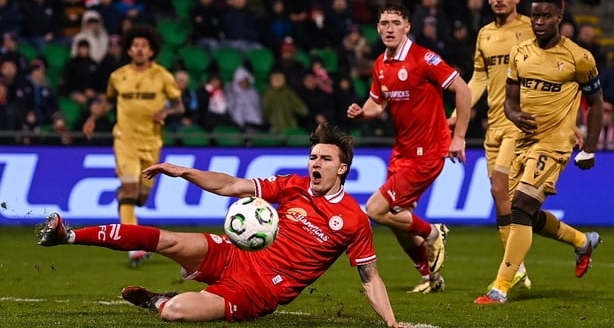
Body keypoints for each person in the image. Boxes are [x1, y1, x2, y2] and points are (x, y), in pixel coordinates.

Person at [37, 123, 412, 328]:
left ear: (341, 168)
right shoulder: (293, 186)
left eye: (325, 159)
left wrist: (393, 324)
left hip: (258, 291)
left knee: (175, 313)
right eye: (313, 156)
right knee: (165, 239)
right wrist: (183, 171)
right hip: (235, 254)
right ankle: (67, 235)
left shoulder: (353, 220)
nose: (315, 163)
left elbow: (370, 279)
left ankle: (157, 300)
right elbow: (232, 186)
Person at [474, 0, 604, 304]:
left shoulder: (579, 57)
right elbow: (510, 99)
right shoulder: (519, 52)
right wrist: (515, 114)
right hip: (522, 143)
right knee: (527, 216)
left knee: (519, 208)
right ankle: (582, 241)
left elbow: (596, 105)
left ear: (560, 17)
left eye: (546, 16)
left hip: (554, 145)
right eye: (535, 16)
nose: (539, 22)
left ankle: (501, 285)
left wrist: (588, 147)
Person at [347, 3, 471, 293]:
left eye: (395, 23)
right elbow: (377, 102)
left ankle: (432, 232)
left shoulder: (424, 59)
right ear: (377, 28)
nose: (389, 28)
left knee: (375, 210)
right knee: (396, 221)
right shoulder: (381, 64)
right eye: (384, 23)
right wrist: (362, 112)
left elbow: (463, 90)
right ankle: (432, 277)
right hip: (401, 151)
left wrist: (459, 137)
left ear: (407, 27)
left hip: (427, 152)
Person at [451, 0, 536, 291]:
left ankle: (508, 272)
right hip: (494, 127)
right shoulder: (484, 34)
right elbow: (479, 78)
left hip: (522, 125)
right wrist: (457, 114)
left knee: (504, 191)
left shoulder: (531, 28)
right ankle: (572, 243)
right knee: (503, 197)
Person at [82, 25, 184, 266]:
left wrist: (166, 111)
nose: (139, 49)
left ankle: (126, 205)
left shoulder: (163, 76)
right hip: (124, 139)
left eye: (144, 46)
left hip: (151, 142)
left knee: (140, 198)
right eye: (135, 45)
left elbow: (180, 106)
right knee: (129, 190)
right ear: (129, 49)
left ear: (151, 51)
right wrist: (93, 118)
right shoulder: (118, 77)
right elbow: (107, 103)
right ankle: (135, 246)